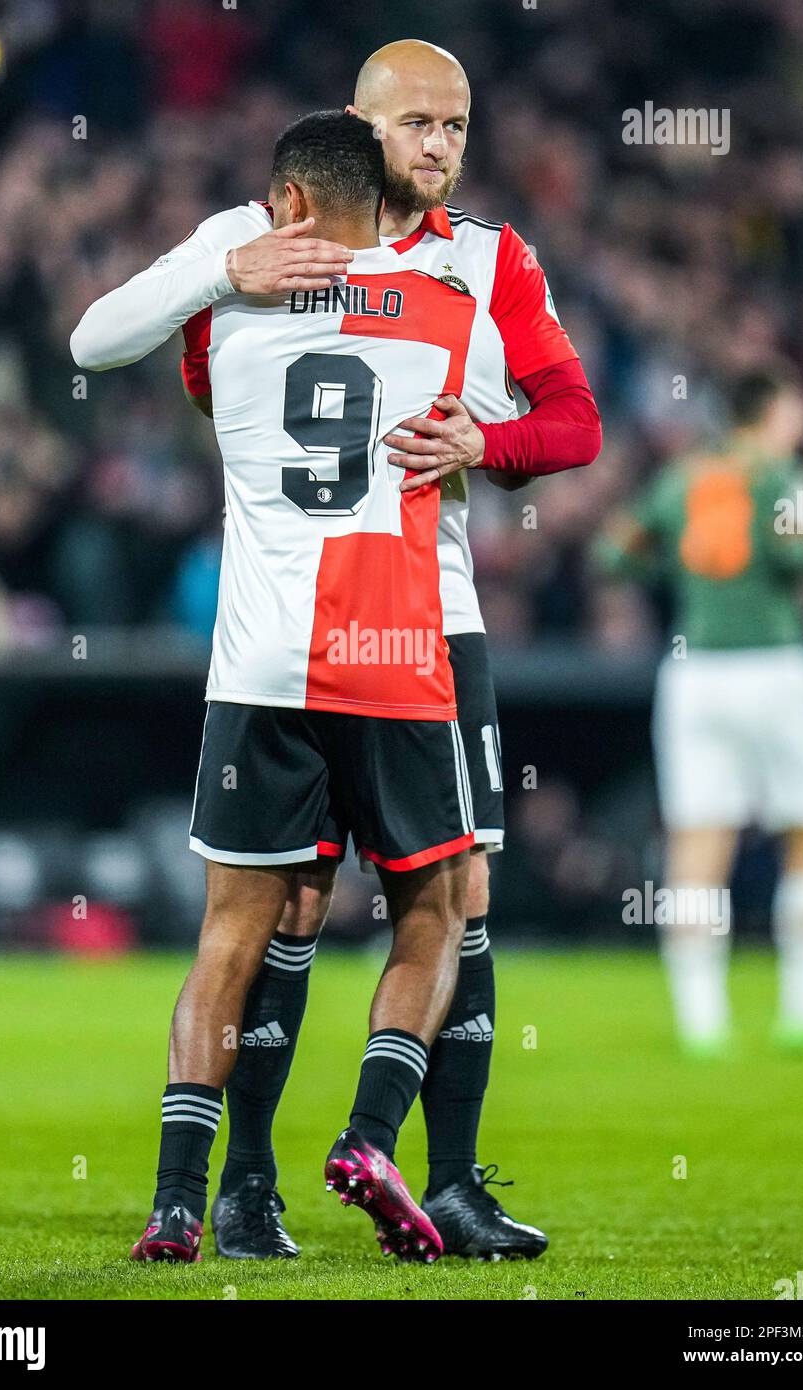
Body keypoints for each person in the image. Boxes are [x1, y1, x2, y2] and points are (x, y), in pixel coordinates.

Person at [177, 40, 601, 1261]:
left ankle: (449, 1177)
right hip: (296, 626)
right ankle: (247, 1184)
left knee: (459, 895)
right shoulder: (287, 256)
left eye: (457, 125)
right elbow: (212, 387)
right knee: (288, 901)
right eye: (415, 122)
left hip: (435, 625)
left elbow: (572, 423)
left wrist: (488, 443)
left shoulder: (490, 259)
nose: (439, 145)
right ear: (357, 132)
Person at [72, 109, 507, 1264]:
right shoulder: (447, 307)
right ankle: (370, 1135)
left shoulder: (235, 297)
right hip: (399, 660)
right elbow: (527, 426)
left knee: (234, 932)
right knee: (436, 914)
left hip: (260, 667)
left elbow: (94, 340)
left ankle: (178, 1199)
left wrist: (226, 268)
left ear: (290, 206)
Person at [595, 366, 803, 1055]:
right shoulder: (785, 477)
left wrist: (678, 567)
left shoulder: (680, 478)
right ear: (772, 413)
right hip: (774, 665)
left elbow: (612, 553)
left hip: (695, 674)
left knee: (699, 846)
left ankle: (703, 1026)